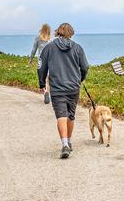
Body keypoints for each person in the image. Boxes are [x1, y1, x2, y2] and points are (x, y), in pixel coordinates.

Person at [37, 23, 90, 159]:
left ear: (57, 32)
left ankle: (64, 143)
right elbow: (85, 66)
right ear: (71, 33)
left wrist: (42, 82)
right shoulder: (78, 48)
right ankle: (69, 141)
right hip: (73, 87)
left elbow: (41, 67)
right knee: (71, 115)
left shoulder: (49, 48)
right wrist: (81, 78)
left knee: (61, 115)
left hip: (57, 88)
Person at [29, 24, 53, 103]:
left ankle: (45, 91)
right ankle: (48, 92)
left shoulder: (37, 39)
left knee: (42, 78)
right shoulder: (51, 40)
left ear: (41, 30)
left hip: (41, 61)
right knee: (48, 78)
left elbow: (33, 50)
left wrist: (30, 60)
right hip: (50, 61)